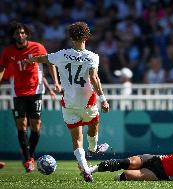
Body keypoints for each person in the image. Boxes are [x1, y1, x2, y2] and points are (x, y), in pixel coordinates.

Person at [23, 21, 110, 182]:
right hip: (87, 102)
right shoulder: (92, 57)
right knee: (94, 124)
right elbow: (94, 77)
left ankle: (85, 169)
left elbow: (44, 59)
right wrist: (103, 99)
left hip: (69, 103)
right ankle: (93, 148)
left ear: (71, 38)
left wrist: (30, 60)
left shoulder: (61, 55)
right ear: (87, 37)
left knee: (76, 139)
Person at [0, 22, 60, 173]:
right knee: (21, 125)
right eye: (17, 33)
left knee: (36, 125)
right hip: (18, 92)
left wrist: (56, 83)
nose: (20, 35)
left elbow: (49, 63)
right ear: (13, 36)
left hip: (35, 91)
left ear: (26, 34)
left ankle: (30, 156)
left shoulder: (37, 47)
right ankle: (27, 159)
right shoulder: (8, 52)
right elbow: (2, 69)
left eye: (22, 32)